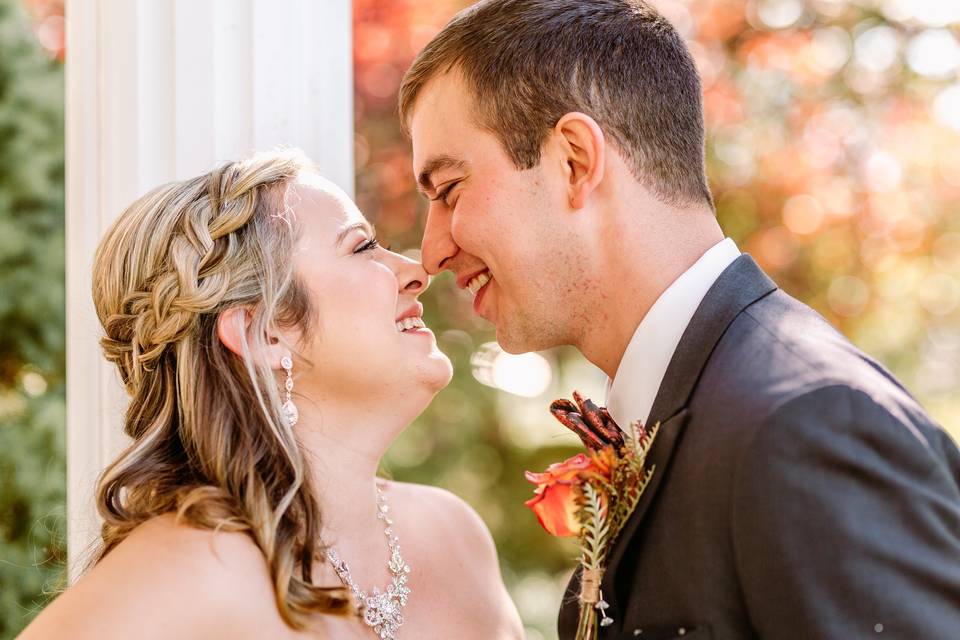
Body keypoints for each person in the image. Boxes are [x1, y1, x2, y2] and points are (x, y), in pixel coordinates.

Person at [400, 1, 960, 638]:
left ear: (574, 161)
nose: (432, 250)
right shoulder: (682, 414)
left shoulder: (806, 424)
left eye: (449, 190)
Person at [19, 149, 523, 640]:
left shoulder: (453, 535)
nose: (416, 272)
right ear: (264, 333)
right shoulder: (191, 573)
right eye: (362, 247)